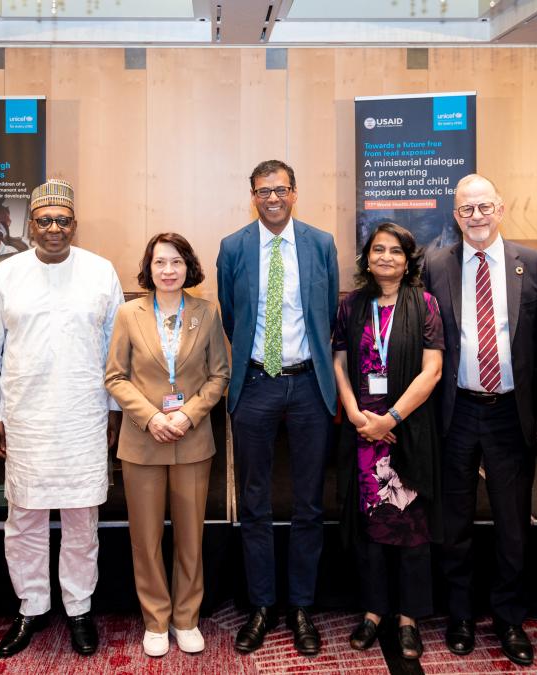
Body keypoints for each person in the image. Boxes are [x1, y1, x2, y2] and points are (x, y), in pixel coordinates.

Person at [0, 178, 124, 659]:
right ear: (32, 225)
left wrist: (114, 411)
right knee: (24, 516)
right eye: (44, 221)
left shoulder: (101, 272)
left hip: (83, 411)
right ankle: (32, 605)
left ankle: (79, 607)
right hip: (26, 414)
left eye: (63, 220)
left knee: (82, 517)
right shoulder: (5, 274)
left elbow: (115, 349)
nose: (54, 229)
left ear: (74, 225)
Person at [422, 174, 537, 665]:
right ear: (456, 215)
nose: (476, 217)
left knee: (513, 521)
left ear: (500, 209)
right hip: (455, 411)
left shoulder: (533, 264)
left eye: (484, 207)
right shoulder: (435, 265)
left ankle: (509, 618)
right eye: (466, 209)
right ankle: (459, 615)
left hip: (510, 412)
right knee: (453, 521)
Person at [216, 159, 340, 656]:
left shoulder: (321, 244)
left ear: (294, 193)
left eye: (281, 189)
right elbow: (231, 315)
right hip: (256, 384)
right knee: (255, 502)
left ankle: (303, 607)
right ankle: (262, 606)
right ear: (252, 194)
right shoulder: (233, 247)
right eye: (263, 190)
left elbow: (328, 311)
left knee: (310, 502)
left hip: (309, 385)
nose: (272, 197)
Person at [104, 233, 229, 657]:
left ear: (188, 267)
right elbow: (115, 376)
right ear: (149, 268)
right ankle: (156, 620)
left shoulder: (206, 313)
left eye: (176, 262)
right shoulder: (128, 314)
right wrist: (152, 416)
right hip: (143, 440)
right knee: (146, 536)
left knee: (191, 535)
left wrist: (188, 414)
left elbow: (219, 376)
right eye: (160, 263)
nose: (169, 270)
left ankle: (186, 618)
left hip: (192, 439)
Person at [333, 222, 443, 660]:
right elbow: (339, 362)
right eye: (378, 250)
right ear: (367, 258)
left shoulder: (426, 304)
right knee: (371, 523)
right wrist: (359, 416)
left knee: (412, 523)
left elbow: (432, 370)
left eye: (395, 251)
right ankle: (374, 611)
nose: (385, 258)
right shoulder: (352, 305)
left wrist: (391, 418)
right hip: (362, 432)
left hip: (408, 430)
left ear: (408, 259)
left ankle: (409, 618)